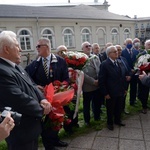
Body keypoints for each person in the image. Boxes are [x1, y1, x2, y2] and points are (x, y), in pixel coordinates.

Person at [0, 31, 51, 150]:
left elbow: (32, 84)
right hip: (21, 132)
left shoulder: (15, 66)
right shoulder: (2, 71)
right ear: (7, 49)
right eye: (17, 46)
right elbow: (17, 98)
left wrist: (42, 99)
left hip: (30, 129)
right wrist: (42, 109)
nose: (21, 49)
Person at [25, 38, 69, 150]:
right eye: (37, 46)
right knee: (46, 123)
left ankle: (56, 140)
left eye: (39, 46)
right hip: (43, 100)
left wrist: (61, 87)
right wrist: (35, 86)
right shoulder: (34, 64)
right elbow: (27, 78)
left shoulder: (60, 61)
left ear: (47, 47)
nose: (37, 48)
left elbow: (66, 79)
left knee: (57, 120)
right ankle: (49, 146)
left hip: (58, 98)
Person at [98, 46, 127, 131]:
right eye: (114, 52)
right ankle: (110, 123)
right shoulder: (104, 64)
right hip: (111, 91)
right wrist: (105, 93)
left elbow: (123, 76)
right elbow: (101, 80)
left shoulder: (119, 62)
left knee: (119, 107)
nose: (117, 53)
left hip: (120, 90)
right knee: (110, 108)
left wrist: (124, 88)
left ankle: (118, 120)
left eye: (117, 51)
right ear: (109, 54)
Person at [81, 41, 101, 125]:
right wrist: (93, 81)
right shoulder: (80, 59)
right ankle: (87, 120)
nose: (89, 47)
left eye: (89, 46)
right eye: (86, 46)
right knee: (87, 105)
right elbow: (81, 73)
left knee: (97, 103)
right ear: (82, 49)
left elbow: (100, 69)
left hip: (97, 85)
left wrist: (99, 80)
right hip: (88, 86)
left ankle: (97, 117)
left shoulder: (95, 57)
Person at [121, 38, 139, 106]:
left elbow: (137, 61)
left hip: (134, 73)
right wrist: (129, 70)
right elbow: (122, 63)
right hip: (127, 74)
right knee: (125, 89)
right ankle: (123, 104)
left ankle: (132, 101)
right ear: (125, 44)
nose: (129, 44)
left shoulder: (136, 52)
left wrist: (135, 68)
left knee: (134, 88)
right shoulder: (122, 52)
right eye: (128, 43)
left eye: (131, 43)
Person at [116, 45, 131, 114]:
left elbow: (128, 69)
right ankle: (117, 111)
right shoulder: (114, 60)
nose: (119, 51)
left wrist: (129, 75)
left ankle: (123, 109)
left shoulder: (123, 59)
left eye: (120, 50)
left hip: (125, 82)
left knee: (124, 96)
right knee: (118, 98)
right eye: (117, 50)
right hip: (118, 83)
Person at [137, 40, 150, 114]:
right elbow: (137, 65)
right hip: (143, 76)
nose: (149, 45)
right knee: (144, 92)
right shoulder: (141, 54)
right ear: (144, 45)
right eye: (148, 44)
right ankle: (144, 106)